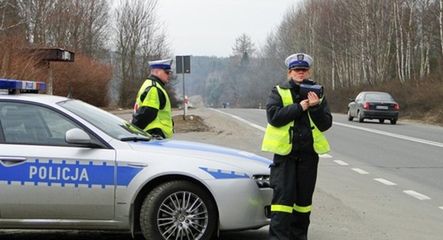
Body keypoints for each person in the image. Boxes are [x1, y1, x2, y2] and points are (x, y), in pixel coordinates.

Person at [261, 53, 332, 240]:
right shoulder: (279, 91)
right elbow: (274, 117)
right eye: (296, 70)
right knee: (282, 206)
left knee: (303, 206)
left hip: (308, 158)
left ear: (308, 72)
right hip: (285, 158)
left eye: (304, 70)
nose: (300, 73)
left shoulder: (318, 92)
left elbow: (325, 124)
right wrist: (299, 107)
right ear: (290, 72)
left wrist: (315, 107)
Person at [132, 59, 174, 139]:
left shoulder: (150, 84)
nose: (169, 75)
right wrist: (135, 130)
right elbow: (148, 113)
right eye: (166, 72)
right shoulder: (154, 88)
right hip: (154, 134)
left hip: (152, 134)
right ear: (157, 72)